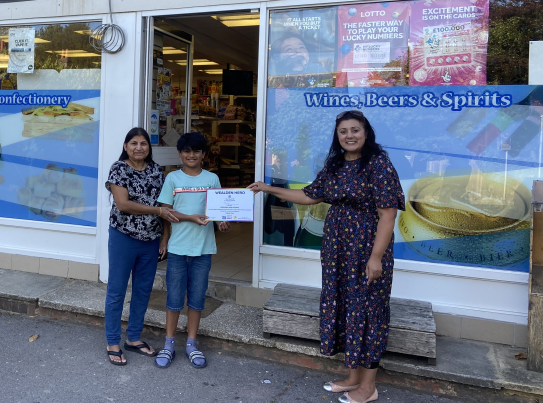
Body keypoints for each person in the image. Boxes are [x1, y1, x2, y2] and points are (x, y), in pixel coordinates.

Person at [248, 111, 404, 403]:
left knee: (368, 312)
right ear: (337, 136)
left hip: (366, 250)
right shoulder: (335, 165)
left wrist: (376, 257)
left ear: (366, 133)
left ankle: (368, 387)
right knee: (345, 308)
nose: (349, 136)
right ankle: (353, 378)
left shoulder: (378, 164)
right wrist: (266, 188)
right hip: (337, 250)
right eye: (343, 131)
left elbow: (388, 215)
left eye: (355, 130)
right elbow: (310, 195)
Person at [154, 132, 230, 370]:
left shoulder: (212, 179)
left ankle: (191, 344)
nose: (191, 155)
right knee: (174, 298)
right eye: (187, 151)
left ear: (203, 154)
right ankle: (168, 344)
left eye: (196, 151)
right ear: (179, 154)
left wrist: (222, 221)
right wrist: (169, 235)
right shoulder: (172, 178)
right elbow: (165, 212)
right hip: (178, 248)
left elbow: (218, 210)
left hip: (203, 249)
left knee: (197, 299)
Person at [104, 127, 179, 366]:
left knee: (143, 290)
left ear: (149, 147)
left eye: (143, 143)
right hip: (123, 237)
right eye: (134, 143)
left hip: (151, 240)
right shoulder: (118, 169)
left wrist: (165, 237)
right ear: (125, 146)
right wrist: (157, 211)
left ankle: (134, 338)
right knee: (117, 290)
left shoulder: (157, 171)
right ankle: (112, 342)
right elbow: (123, 204)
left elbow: (165, 206)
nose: (139, 148)